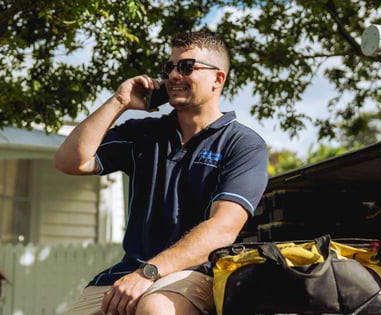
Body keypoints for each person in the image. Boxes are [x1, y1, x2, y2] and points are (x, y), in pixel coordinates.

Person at [53, 31, 269, 315]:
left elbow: (222, 229)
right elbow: (70, 161)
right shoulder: (144, 133)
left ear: (218, 79)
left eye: (187, 67)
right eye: (169, 67)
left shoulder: (243, 144)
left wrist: (149, 273)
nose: (174, 76)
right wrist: (119, 101)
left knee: (154, 309)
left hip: (199, 272)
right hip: (128, 275)